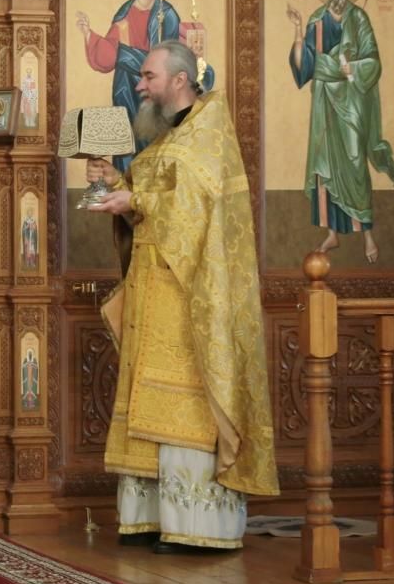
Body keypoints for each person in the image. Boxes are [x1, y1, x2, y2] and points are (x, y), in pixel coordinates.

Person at [86, 41, 279, 553]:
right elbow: (151, 203)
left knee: (186, 403)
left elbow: (196, 208)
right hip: (152, 288)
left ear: (179, 79)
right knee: (149, 399)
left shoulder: (209, 131)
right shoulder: (168, 135)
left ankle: (198, 526)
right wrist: (116, 183)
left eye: (148, 76)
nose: (139, 85)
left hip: (191, 293)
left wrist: (137, 198)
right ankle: (151, 517)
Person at [287, 0, 394, 263]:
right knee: (325, 165)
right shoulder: (317, 19)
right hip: (325, 102)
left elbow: (373, 61)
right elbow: (306, 65)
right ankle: (332, 233)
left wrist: (351, 68)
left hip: (351, 101)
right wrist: (298, 30)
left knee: (354, 162)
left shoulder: (359, 18)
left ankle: (367, 234)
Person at [76, 0, 213, 173]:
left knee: (153, 137)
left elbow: (168, 56)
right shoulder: (125, 11)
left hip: (155, 89)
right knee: (126, 138)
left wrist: (127, 54)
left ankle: (151, 186)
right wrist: (88, 34)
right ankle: (124, 184)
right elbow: (110, 51)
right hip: (125, 87)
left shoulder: (166, 13)